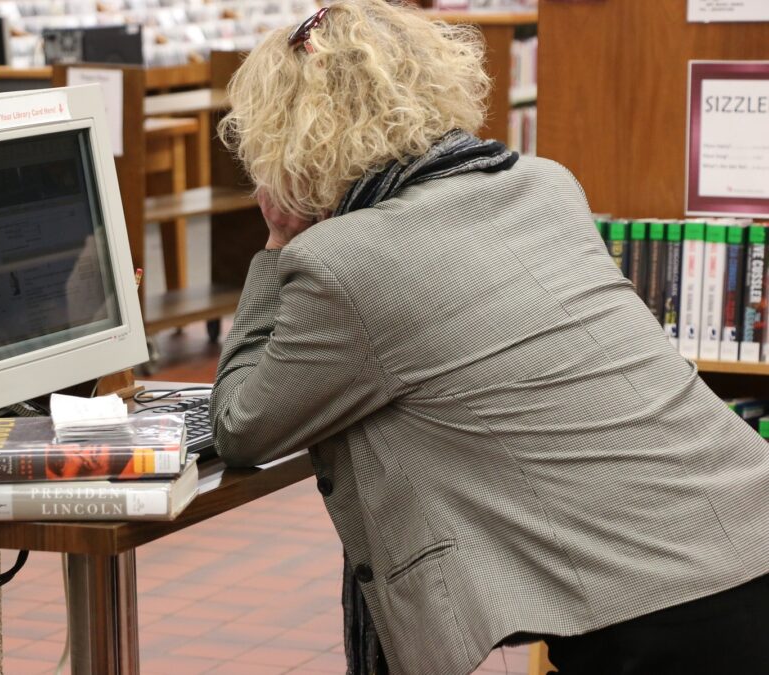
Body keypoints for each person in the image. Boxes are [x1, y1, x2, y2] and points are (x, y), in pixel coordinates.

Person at [208, 1, 769, 673]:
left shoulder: (342, 261)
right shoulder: (541, 182)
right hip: (745, 526)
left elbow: (243, 425)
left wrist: (275, 242)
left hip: (658, 611)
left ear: (284, 134)